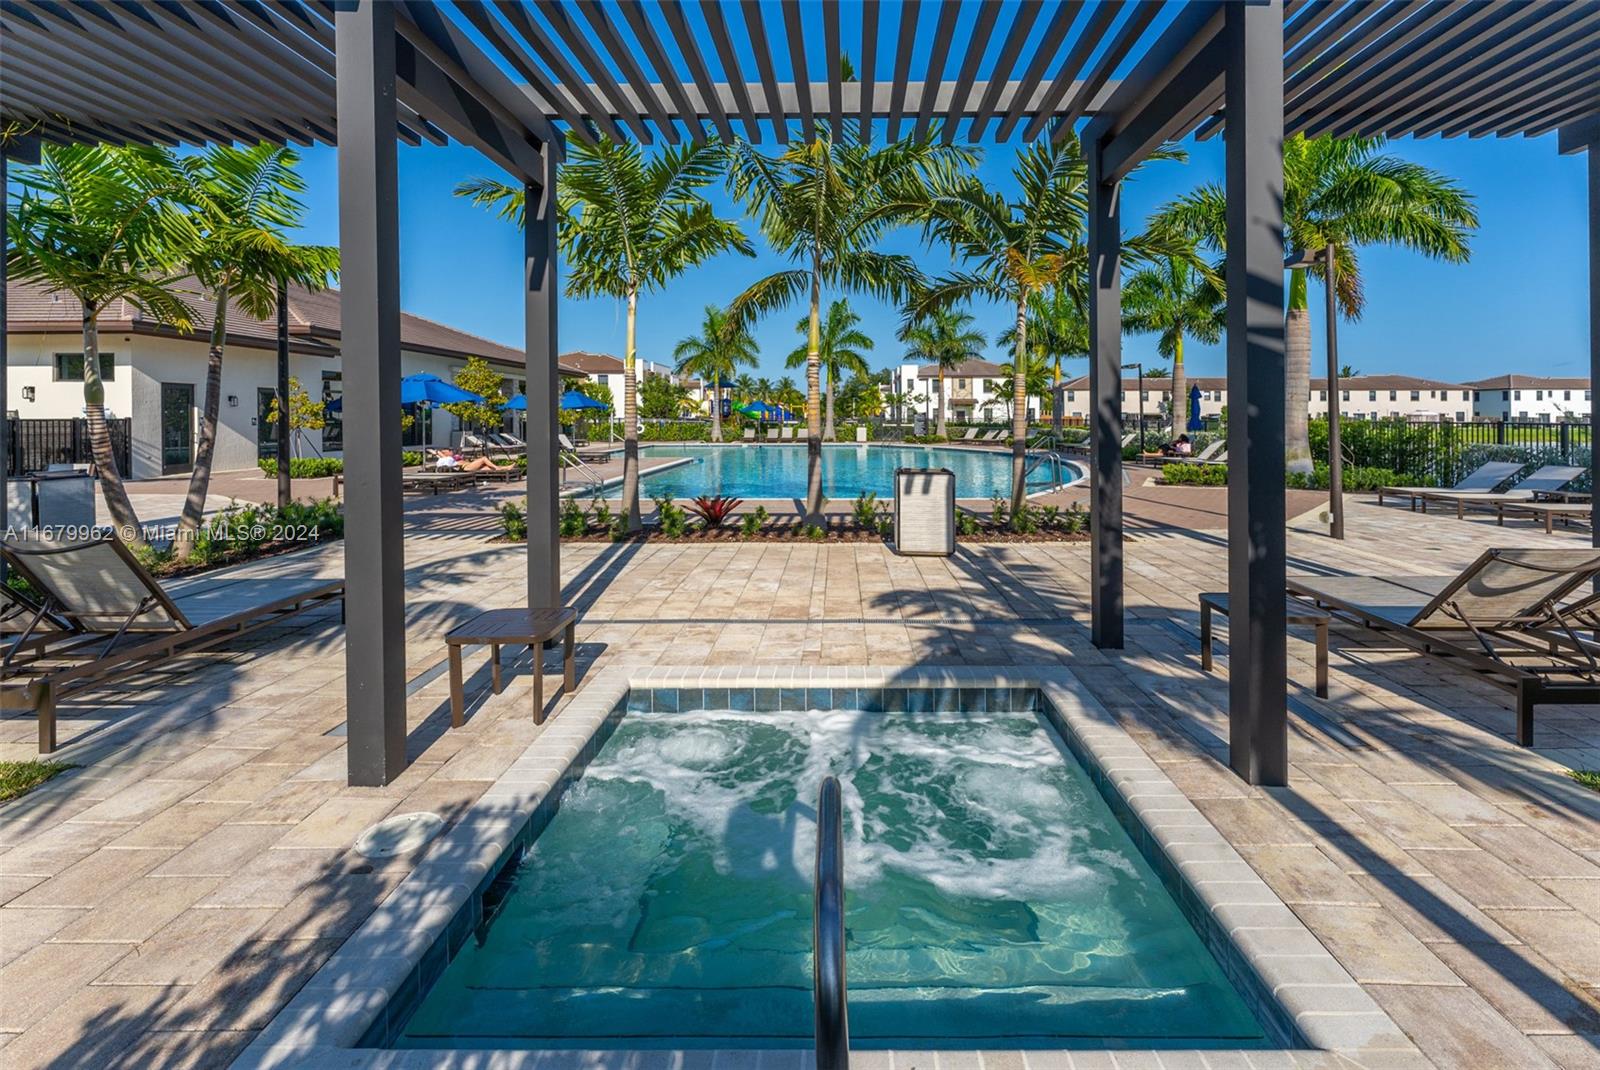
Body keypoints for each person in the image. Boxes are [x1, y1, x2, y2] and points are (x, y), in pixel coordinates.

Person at [430, 448, 512, 473]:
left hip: (468, 465)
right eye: (449, 450)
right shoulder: (445, 458)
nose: (451, 451)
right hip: (465, 467)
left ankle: (506, 468)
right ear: (445, 453)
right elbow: (437, 452)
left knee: (487, 467)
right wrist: (438, 452)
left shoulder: (451, 457)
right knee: (484, 458)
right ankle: (498, 468)